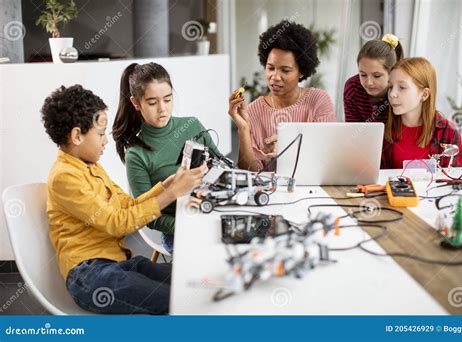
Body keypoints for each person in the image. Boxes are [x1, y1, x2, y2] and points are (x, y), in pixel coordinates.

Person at [42, 84, 206, 314]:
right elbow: (116, 223)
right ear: (77, 135)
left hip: (118, 265)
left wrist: (165, 187)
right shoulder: (64, 177)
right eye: (100, 134)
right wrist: (171, 194)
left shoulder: (92, 167)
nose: (105, 142)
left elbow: (126, 206)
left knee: (197, 285)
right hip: (90, 276)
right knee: (181, 301)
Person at [112, 62, 221, 254]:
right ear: (136, 103)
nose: (162, 109)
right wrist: (189, 226)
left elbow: (223, 166)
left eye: (168, 99)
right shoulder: (136, 155)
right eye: (152, 103)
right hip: (178, 229)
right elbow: (147, 215)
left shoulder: (192, 125)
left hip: (212, 211)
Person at [229, 20, 336, 172]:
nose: (275, 77)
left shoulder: (318, 101)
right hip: (270, 194)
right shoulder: (252, 111)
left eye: (285, 70)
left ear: (302, 72)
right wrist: (243, 129)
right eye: (270, 68)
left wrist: (288, 149)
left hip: (311, 189)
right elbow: (250, 171)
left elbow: (328, 155)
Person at [382, 57, 462, 168]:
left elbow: (457, 180)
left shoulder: (448, 132)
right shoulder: (383, 129)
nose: (392, 94)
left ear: (424, 94)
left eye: (401, 87)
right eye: (390, 87)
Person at [344, 34, 404, 124]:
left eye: (377, 76)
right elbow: (353, 130)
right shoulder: (353, 88)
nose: (369, 83)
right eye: (363, 75)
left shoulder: (404, 91)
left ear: (392, 73)